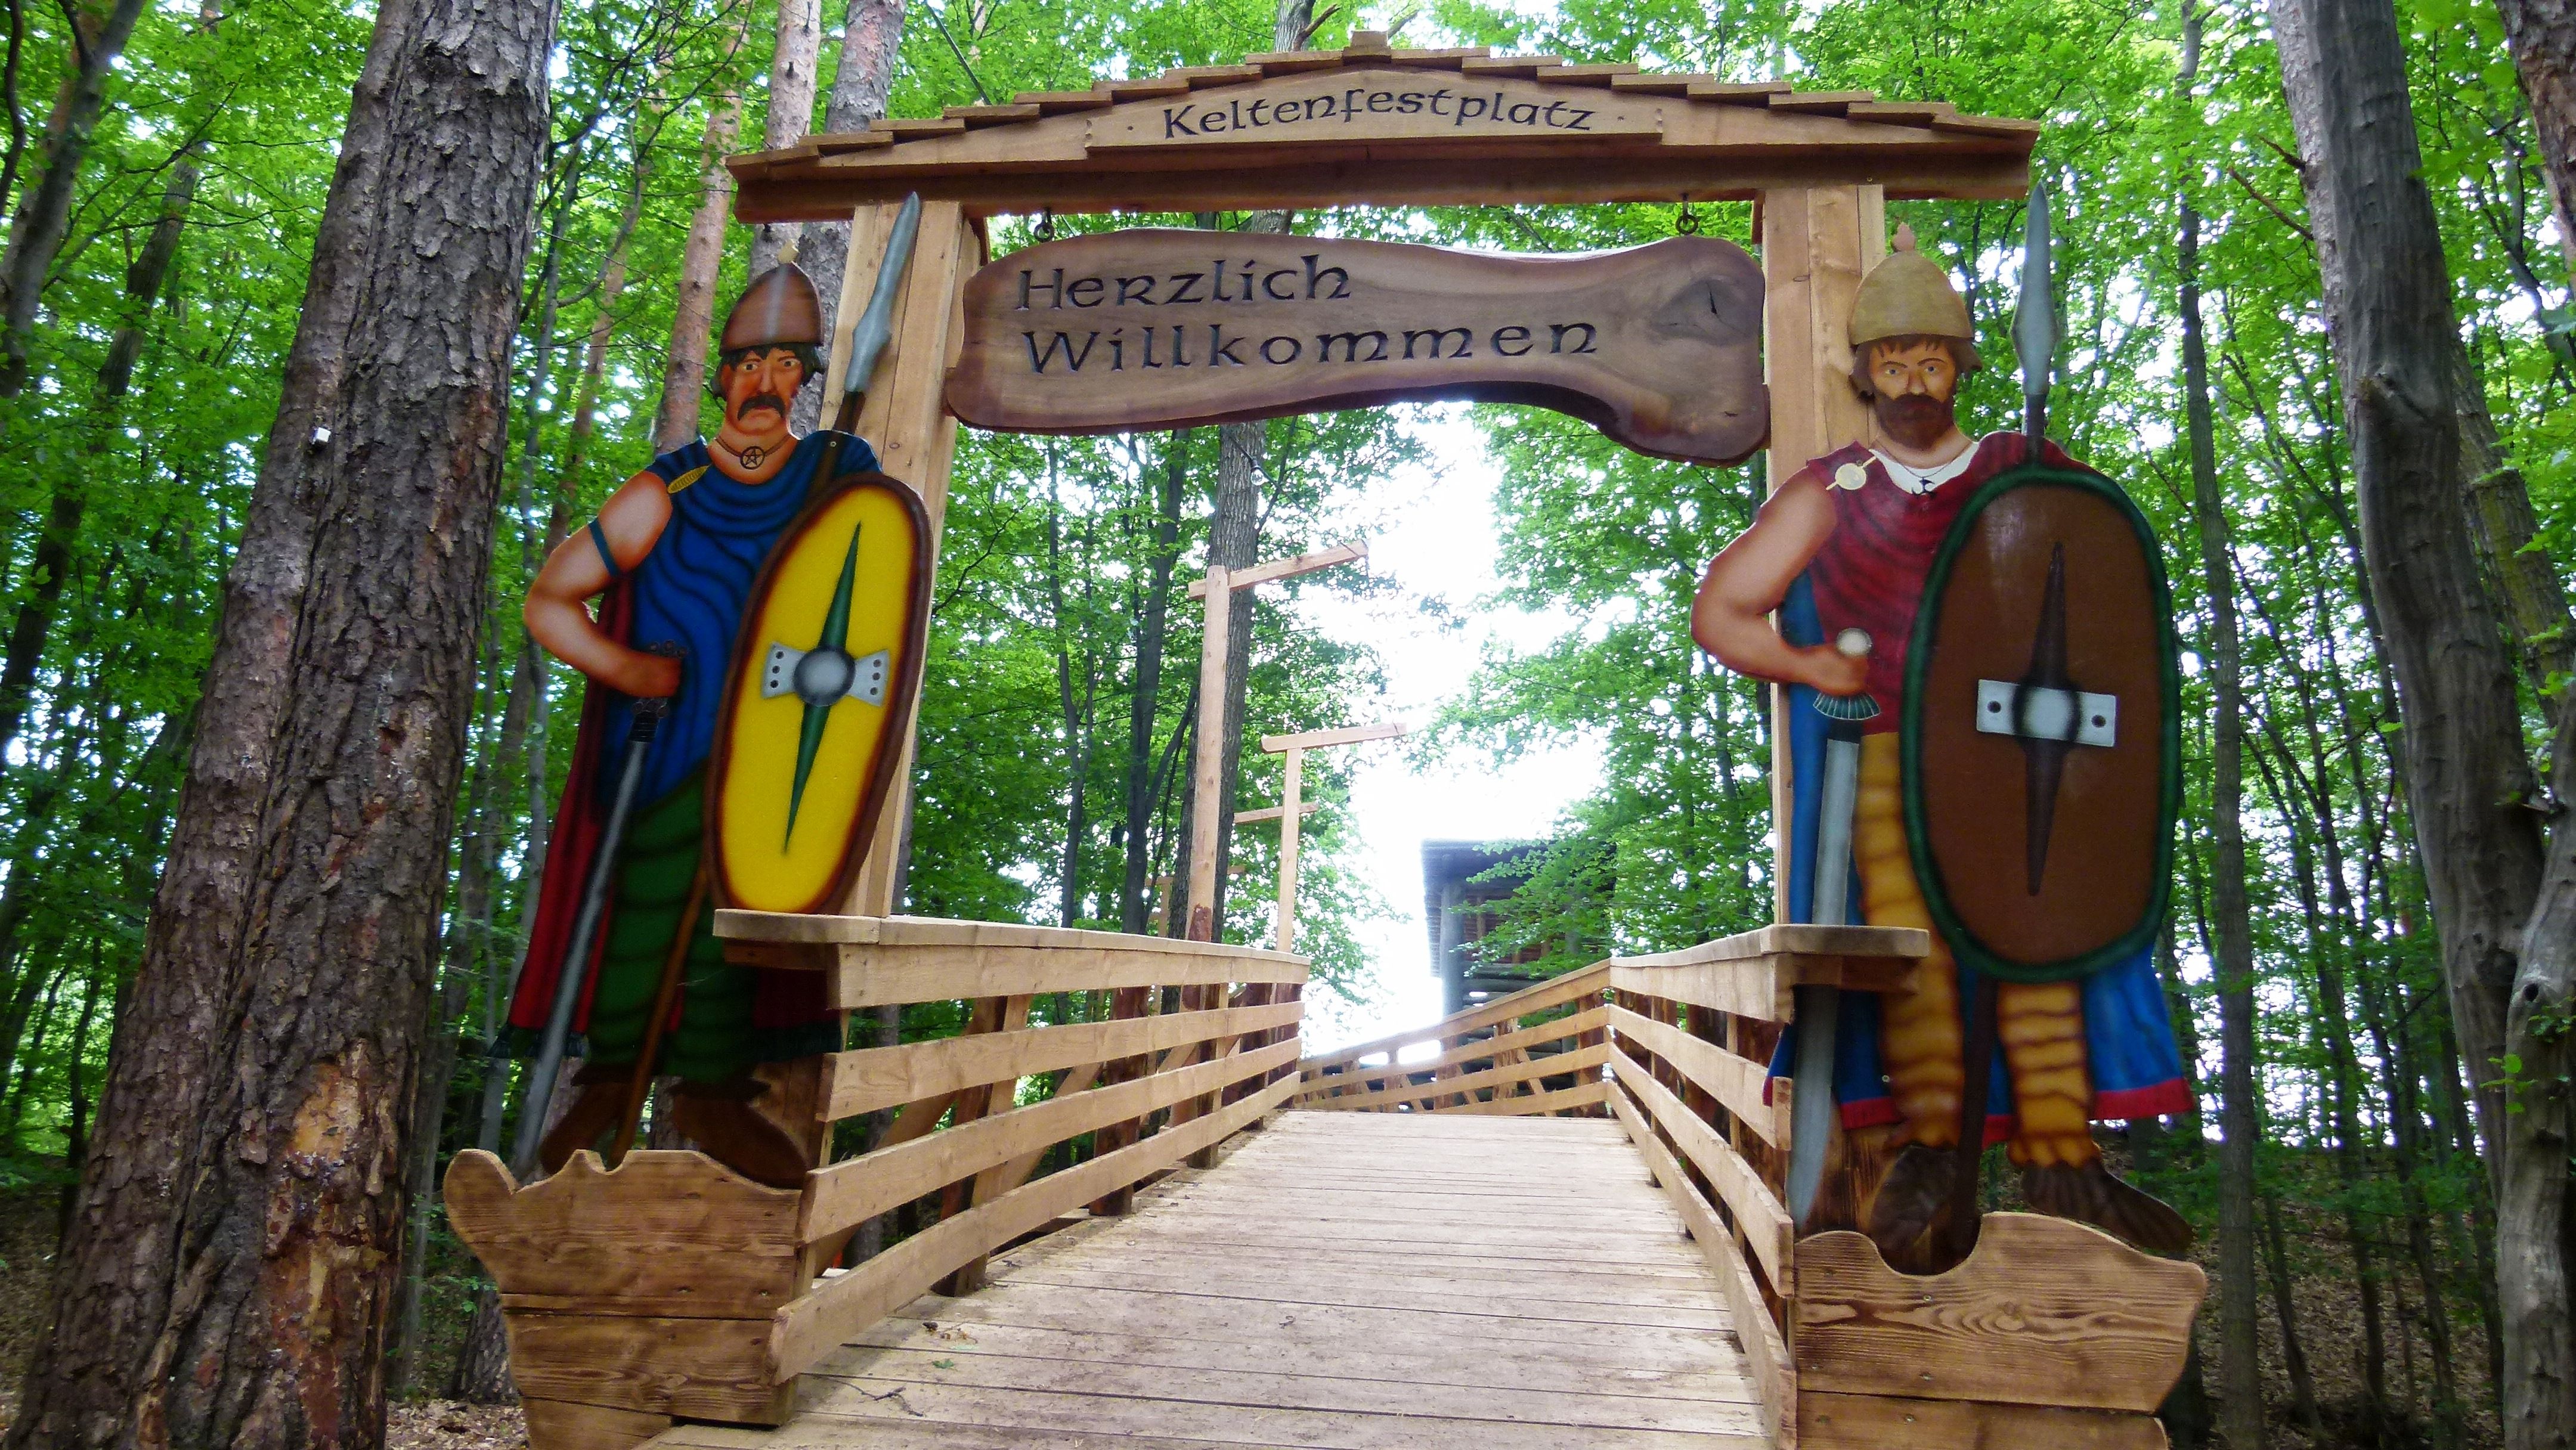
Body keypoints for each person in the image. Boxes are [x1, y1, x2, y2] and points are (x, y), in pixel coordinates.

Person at [1690, 227, 2192, 1259]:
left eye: (1930, 358)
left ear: (1960, 366)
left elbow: (2100, 587)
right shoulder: (1831, 493)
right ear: (1864, 372)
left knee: (2039, 948)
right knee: (1916, 959)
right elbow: (1727, 613)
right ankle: (1932, 1146)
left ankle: (2064, 1156)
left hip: (2016, 755)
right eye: (1891, 360)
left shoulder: (2025, 470)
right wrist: (1815, 666)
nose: (1912, 378)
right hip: (1886, 758)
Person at [507, 263, 877, 1188]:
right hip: (667, 744)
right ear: (721, 376)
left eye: (786, 364)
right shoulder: (664, 491)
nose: (763, 382)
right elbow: (551, 601)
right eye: (748, 362)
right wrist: (630, 668)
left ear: (806, 380)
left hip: (781, 748)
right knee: (645, 905)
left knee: (742, 918)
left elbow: (867, 590)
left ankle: (712, 1093)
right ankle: (609, 1092)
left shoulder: (837, 474)